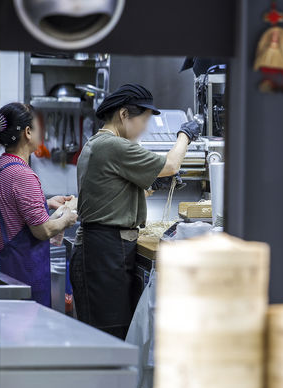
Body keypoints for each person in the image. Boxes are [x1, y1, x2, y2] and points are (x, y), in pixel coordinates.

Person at [70, 83, 201, 339]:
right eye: (143, 121)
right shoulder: (112, 146)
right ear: (123, 115)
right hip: (104, 251)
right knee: (109, 336)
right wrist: (185, 134)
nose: (144, 129)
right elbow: (172, 164)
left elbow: (116, 195)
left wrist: (154, 183)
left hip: (106, 248)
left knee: (113, 333)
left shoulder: (99, 144)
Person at [0, 102, 78, 307]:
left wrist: (45, 203)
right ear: (27, 132)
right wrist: (67, 219)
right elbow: (42, 231)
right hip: (21, 278)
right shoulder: (22, 175)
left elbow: (9, 209)